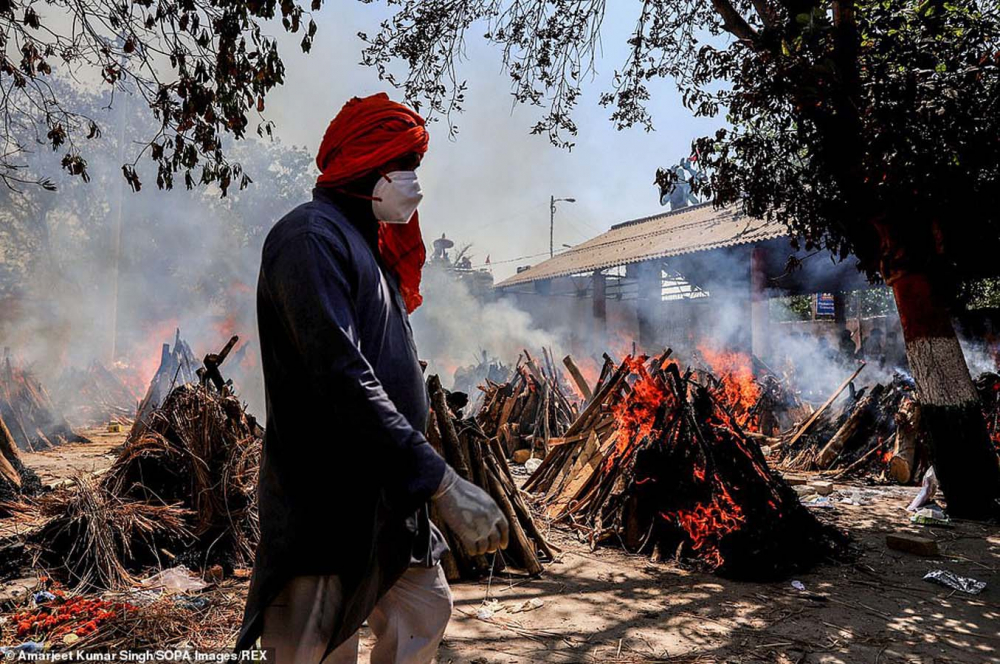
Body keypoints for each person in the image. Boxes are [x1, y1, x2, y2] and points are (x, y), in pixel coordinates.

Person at [235, 93, 509, 664]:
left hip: (386, 502)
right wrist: (445, 484)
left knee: (425, 610)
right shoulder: (310, 239)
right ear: (368, 164)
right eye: (405, 165)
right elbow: (343, 378)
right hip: (326, 505)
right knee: (314, 649)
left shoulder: (369, 249)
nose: (414, 182)